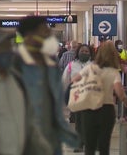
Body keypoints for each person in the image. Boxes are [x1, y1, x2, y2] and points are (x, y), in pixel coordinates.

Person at [15, 16, 79, 155]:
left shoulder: (51, 64)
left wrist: (67, 134)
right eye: (45, 32)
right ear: (29, 35)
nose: (49, 36)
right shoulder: (13, 64)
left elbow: (55, 106)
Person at [71, 40, 127, 155]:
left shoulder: (89, 68)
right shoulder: (113, 72)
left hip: (89, 110)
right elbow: (119, 90)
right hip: (106, 110)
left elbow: (74, 80)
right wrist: (125, 100)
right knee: (104, 145)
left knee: (89, 146)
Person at [62, 44, 93, 152]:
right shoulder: (71, 65)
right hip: (76, 97)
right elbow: (65, 81)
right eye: (82, 51)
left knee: (89, 121)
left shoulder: (94, 66)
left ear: (90, 53)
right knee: (79, 121)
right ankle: (79, 143)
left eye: (86, 51)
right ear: (78, 52)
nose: (84, 53)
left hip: (90, 96)